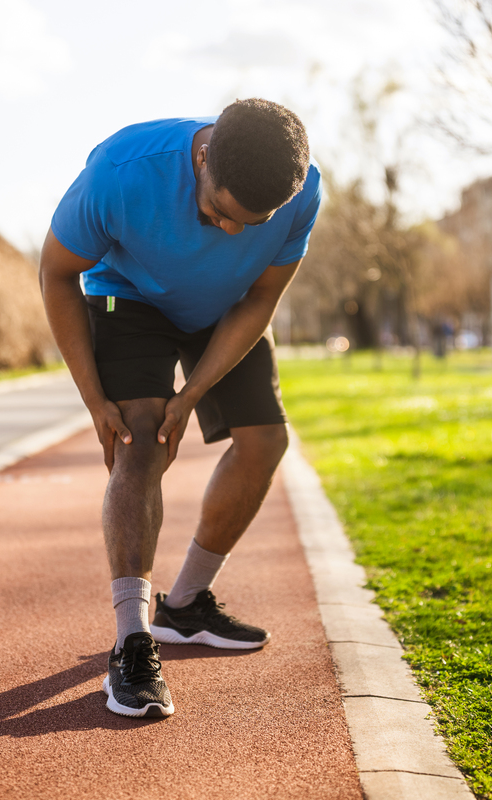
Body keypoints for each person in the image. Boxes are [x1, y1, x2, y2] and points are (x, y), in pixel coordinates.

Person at [40, 99, 320, 718]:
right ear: (202, 156)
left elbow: (264, 295)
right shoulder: (122, 171)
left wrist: (193, 393)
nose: (228, 231)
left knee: (265, 441)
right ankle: (132, 642)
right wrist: (95, 399)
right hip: (130, 298)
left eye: (249, 225)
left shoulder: (302, 191)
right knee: (143, 440)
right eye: (219, 211)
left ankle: (187, 604)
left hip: (228, 307)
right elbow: (56, 273)